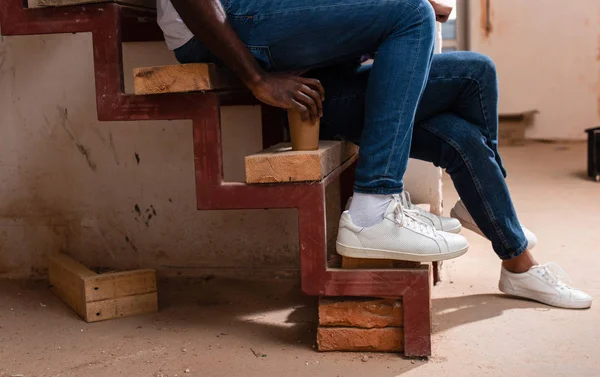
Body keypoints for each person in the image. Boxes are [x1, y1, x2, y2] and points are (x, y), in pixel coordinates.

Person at [157, 0, 592, 309]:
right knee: (411, 14)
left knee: (474, 79)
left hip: (310, 60)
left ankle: (510, 253)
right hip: (223, 20)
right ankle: (373, 208)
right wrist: (256, 79)